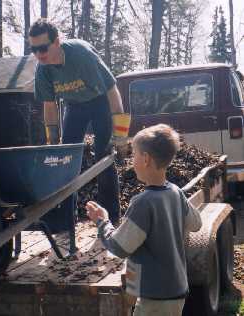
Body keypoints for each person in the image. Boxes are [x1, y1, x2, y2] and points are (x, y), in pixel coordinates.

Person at [86, 124, 202, 316]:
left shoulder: (143, 203)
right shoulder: (175, 192)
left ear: (146, 159)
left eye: (134, 155)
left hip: (154, 298)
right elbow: (196, 224)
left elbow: (119, 247)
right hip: (177, 291)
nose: (132, 161)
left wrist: (102, 221)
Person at [29, 19, 130, 232]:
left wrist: (121, 136)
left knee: (103, 155)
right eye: (34, 49)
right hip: (74, 106)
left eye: (43, 48)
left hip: (100, 101)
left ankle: (111, 216)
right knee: (66, 159)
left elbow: (113, 92)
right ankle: (66, 219)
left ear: (56, 42)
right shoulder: (43, 70)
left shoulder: (83, 55)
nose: (39, 54)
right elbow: (50, 106)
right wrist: (53, 141)